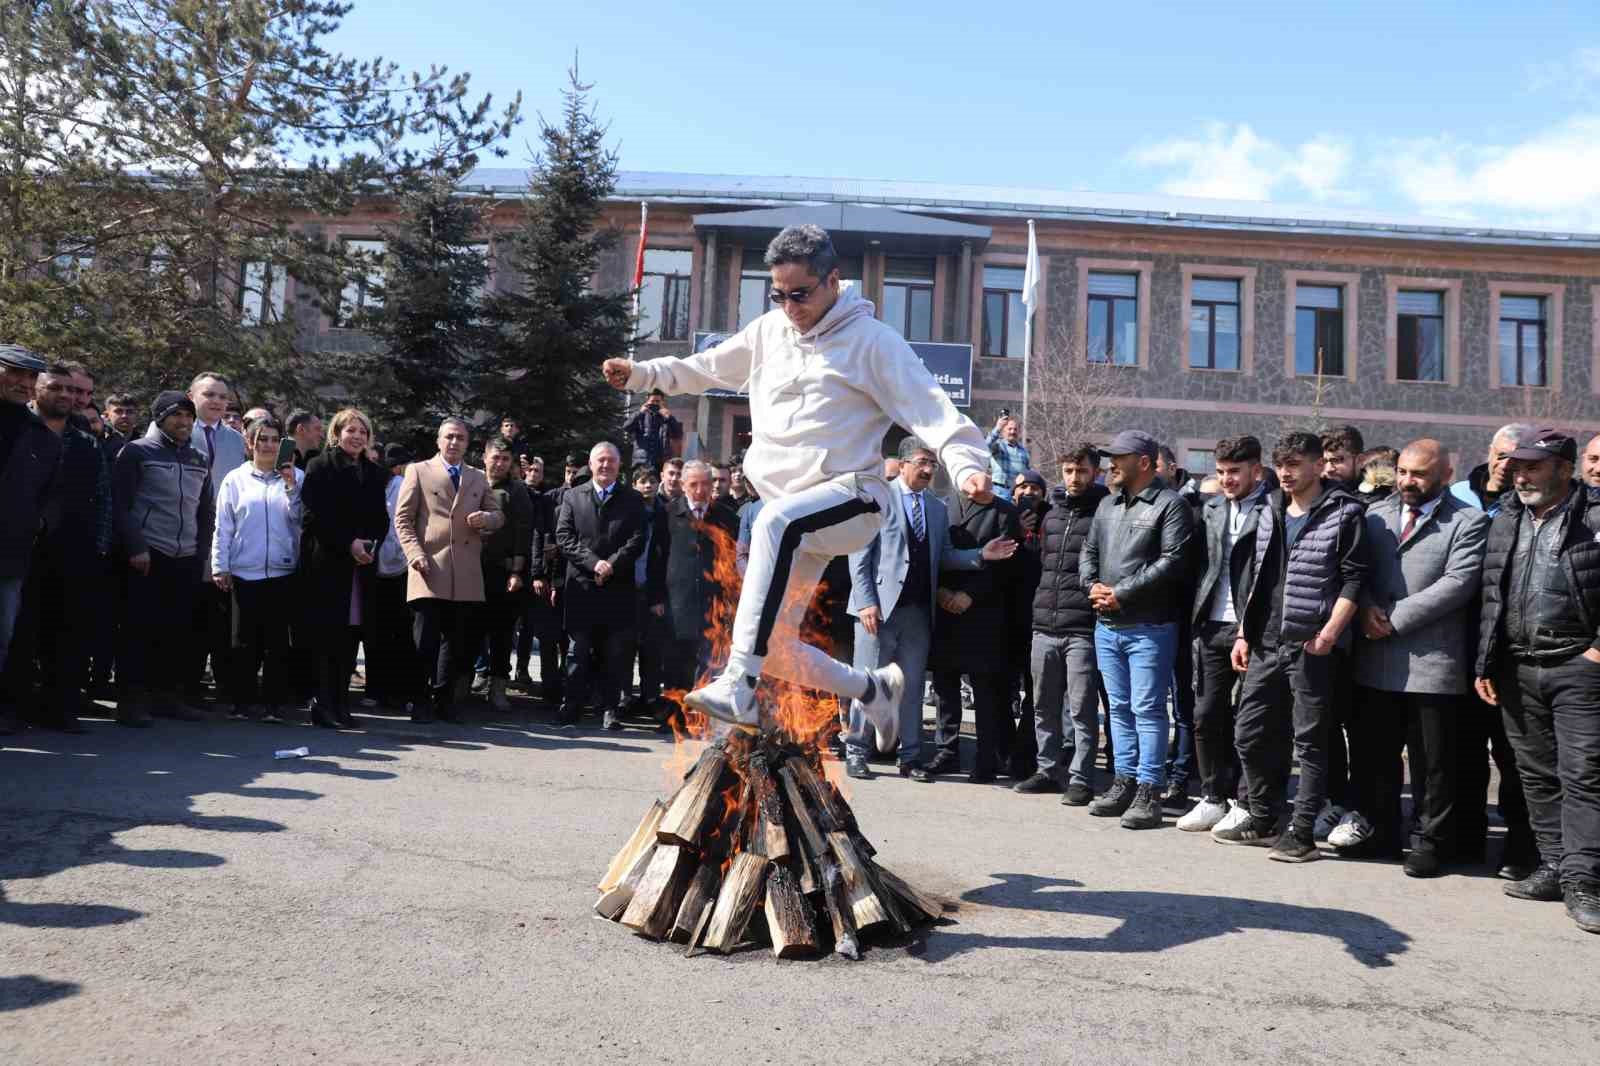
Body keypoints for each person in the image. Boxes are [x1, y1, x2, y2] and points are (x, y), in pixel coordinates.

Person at [600, 223, 997, 733]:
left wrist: (967, 467)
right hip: (797, 514)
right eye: (779, 294)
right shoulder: (769, 332)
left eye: (801, 294)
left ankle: (739, 686)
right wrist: (642, 375)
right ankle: (873, 688)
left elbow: (933, 411)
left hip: (854, 497)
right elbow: (707, 368)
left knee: (771, 523)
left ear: (833, 280)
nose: (790, 306)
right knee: (777, 645)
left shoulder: (873, 343)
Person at [1473, 429, 1600, 934]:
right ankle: (1554, 867)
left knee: (1584, 776)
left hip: (1578, 667)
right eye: (1517, 465)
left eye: (1533, 466)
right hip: (1517, 666)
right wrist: (1485, 662)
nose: (1520, 474)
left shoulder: (1592, 517)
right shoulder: (1507, 517)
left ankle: (1585, 881)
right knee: (1535, 776)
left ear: (1564, 471)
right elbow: (1492, 595)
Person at [1344, 440, 1489, 877]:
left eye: (1419, 474)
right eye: (1403, 472)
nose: (1407, 481)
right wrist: (1365, 606)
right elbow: (1356, 571)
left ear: (1445, 475)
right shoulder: (1374, 515)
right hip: (1374, 657)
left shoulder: (1468, 522)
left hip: (1432, 662)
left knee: (1433, 762)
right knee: (1375, 756)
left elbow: (1458, 583)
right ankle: (1381, 832)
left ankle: (1429, 841)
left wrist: (1394, 618)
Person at [1219, 431, 1367, 862]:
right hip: (1265, 641)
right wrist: (1245, 633)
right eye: (1281, 464)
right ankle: (1264, 816)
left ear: (1319, 465)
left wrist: (1329, 634)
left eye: (1295, 464)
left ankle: (1301, 832)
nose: (1286, 472)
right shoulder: (1270, 508)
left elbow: (1354, 579)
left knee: (1310, 742)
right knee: (1248, 733)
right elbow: (1257, 578)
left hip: (1310, 645)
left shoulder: (1344, 512)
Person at [845, 437, 1006, 781]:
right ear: (901, 464)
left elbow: (944, 554)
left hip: (918, 613)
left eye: (933, 464)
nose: (928, 469)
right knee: (867, 683)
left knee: (913, 687)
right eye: (921, 462)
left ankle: (911, 757)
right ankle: (857, 751)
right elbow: (858, 554)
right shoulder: (878, 498)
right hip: (878, 611)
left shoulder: (936, 507)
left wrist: (981, 556)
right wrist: (866, 602)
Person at [1079, 430, 1195, 829]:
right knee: (1119, 708)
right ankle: (1124, 781)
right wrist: (1091, 585)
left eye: (1118, 457)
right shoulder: (1108, 504)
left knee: (1147, 709)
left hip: (1150, 627)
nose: (1111, 463)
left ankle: (1149, 789)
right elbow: (1088, 551)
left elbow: (1172, 562)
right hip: (1107, 625)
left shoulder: (1170, 505)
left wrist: (1121, 593)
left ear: (1143, 462)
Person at [0, 362, 108, 733]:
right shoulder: (18, 429)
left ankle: (58, 708)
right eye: (56, 387)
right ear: (37, 390)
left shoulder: (86, 442)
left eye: (72, 390)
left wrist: (98, 546)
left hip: (71, 553)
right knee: (19, 635)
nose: (65, 395)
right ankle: (12, 708)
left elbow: (102, 499)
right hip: (21, 551)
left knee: (66, 634)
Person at [1180, 436, 1270, 834]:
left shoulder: (1274, 508)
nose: (1227, 479)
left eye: (1235, 471)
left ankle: (1248, 802)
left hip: (1254, 629)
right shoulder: (1210, 509)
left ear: (1257, 470)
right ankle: (1213, 796)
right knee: (1205, 714)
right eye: (1220, 472)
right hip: (1211, 625)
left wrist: (1250, 628)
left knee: (1253, 722)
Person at [112, 390, 214, 726]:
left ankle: (167, 698)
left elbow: (204, 510)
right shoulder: (136, 452)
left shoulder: (199, 457)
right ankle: (131, 702)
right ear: (160, 417)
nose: (185, 422)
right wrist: (136, 546)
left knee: (176, 632)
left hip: (184, 555)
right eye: (177, 416)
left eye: (189, 416)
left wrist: (201, 551)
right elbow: (121, 505)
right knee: (139, 631)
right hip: (148, 554)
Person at [393, 418, 503, 724]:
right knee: (424, 641)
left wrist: (487, 519)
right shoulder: (418, 470)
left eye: (461, 438)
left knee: (456, 644)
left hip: (465, 572)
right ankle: (419, 699)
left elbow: (498, 515)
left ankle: (444, 700)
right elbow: (402, 519)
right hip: (429, 567)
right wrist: (415, 554)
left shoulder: (478, 477)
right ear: (439, 441)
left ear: (468, 444)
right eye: (449, 437)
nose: (455, 442)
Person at [1015, 446, 1109, 802]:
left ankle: (1081, 778)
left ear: (1095, 472)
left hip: (1082, 628)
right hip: (1044, 624)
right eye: (1068, 470)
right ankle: (1047, 770)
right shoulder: (1051, 516)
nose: (1074, 478)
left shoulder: (1104, 513)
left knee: (1082, 709)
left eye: (1081, 471)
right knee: (1041, 704)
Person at [930, 475, 1025, 783]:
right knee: (945, 685)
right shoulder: (943, 505)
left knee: (985, 689)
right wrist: (941, 592)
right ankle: (946, 750)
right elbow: (933, 555)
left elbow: (1006, 567)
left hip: (984, 611)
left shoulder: (1005, 513)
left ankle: (986, 759)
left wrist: (969, 595)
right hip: (945, 609)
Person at [299, 408, 388, 728]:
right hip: (328, 565)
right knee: (326, 639)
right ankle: (323, 704)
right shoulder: (319, 466)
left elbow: (382, 519)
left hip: (360, 568)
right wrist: (348, 542)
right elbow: (313, 517)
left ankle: (341, 704)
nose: (357, 437)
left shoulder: (374, 472)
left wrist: (372, 544)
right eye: (351, 431)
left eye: (363, 432)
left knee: (350, 639)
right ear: (336, 434)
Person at [210, 418, 301, 721]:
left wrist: (290, 487)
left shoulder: (296, 477)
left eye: (275, 439)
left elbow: (303, 520)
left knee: (278, 643)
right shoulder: (235, 479)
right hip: (244, 571)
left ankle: (274, 703)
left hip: (282, 572)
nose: (269, 445)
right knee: (242, 642)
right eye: (262, 438)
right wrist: (220, 565)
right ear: (250, 443)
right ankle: (242, 701)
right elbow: (223, 526)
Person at [554, 442, 647, 729]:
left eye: (611, 461)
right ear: (591, 465)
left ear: (620, 466)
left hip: (617, 588)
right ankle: (571, 706)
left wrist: (611, 565)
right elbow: (564, 536)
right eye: (600, 461)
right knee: (577, 652)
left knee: (615, 654)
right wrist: (595, 563)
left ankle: (610, 709)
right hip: (582, 586)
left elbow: (637, 538)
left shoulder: (632, 499)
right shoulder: (572, 496)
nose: (605, 465)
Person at [0, 346, 61, 734]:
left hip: (9, 557)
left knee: (2, 639)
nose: (23, 383)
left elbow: (48, 499)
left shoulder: (42, 436)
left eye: (29, 377)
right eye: (14, 373)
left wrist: (34, 528)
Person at [661, 460, 739, 726]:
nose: (700, 490)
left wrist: (731, 600)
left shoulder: (726, 517)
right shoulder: (668, 513)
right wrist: (656, 600)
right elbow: (656, 559)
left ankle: (702, 720)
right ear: (683, 486)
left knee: (709, 663)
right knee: (676, 662)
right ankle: (674, 716)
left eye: (706, 484)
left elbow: (732, 561)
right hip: (677, 601)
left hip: (713, 602)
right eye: (693, 484)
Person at [478, 437, 533, 714]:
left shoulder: (517, 490)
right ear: (484, 457)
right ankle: (462, 684)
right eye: (495, 457)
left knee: (501, 633)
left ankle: (498, 687)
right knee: (467, 631)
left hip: (502, 571)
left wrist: (517, 571)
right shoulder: (472, 483)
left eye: (505, 459)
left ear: (511, 463)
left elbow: (524, 531)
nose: (499, 463)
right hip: (470, 570)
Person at [369, 443, 417, 713]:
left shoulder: (398, 484)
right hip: (381, 564)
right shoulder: (388, 483)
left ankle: (391, 690)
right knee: (385, 632)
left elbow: (401, 525)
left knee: (394, 632)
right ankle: (384, 689)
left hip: (396, 565)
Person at [627, 463, 670, 726]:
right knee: (624, 647)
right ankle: (623, 698)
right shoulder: (627, 510)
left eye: (652, 480)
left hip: (652, 590)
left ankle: (650, 697)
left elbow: (665, 557)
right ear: (634, 484)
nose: (648, 485)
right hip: (627, 588)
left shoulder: (664, 512)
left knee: (652, 650)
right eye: (642, 481)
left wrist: (658, 597)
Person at [1451, 423, 1535, 516]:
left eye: (1515, 460)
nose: (1505, 466)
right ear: (1490, 451)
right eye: (1501, 455)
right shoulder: (1457, 493)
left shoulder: (1528, 505)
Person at [623, 389, 683, 472]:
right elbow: (627, 428)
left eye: (657, 401)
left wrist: (669, 418)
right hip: (642, 460)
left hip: (660, 461)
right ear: (647, 401)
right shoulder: (640, 415)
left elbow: (678, 434)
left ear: (662, 402)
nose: (654, 404)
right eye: (652, 401)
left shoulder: (666, 417)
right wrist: (639, 413)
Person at [987, 414, 1031, 503]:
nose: (1012, 432)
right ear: (1003, 431)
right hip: (999, 492)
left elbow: (1026, 474)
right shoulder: (998, 446)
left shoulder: (1024, 452)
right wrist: (998, 428)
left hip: (1016, 495)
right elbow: (986, 445)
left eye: (1015, 429)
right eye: (1009, 429)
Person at [1320, 424, 1366, 489]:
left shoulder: (1380, 496)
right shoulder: (1311, 493)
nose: (1328, 469)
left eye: (1336, 460)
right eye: (1323, 461)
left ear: (1360, 460)